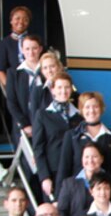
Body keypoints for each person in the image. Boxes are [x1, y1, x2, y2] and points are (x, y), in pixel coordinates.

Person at [57, 92, 111, 197]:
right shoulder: (72, 136)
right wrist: (58, 197)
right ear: (81, 110)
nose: (91, 111)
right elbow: (64, 168)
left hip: (105, 194)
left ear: (102, 108)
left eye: (95, 107)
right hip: (78, 194)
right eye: (87, 107)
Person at [33, 71, 83, 201]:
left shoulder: (79, 116)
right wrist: (44, 177)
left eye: (67, 87)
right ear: (52, 90)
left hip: (75, 170)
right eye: (59, 87)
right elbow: (38, 148)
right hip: (53, 172)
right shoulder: (42, 115)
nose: (63, 91)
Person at [57, 143, 106, 216]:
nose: (90, 160)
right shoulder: (69, 183)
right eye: (86, 157)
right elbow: (61, 212)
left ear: (101, 159)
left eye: (94, 156)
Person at [6, 33, 44, 139]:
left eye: (34, 48)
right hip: (23, 127)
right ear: (22, 50)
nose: (31, 52)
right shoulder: (14, 73)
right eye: (27, 49)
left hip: (44, 126)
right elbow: (11, 101)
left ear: (40, 49)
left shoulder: (47, 71)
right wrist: (25, 124)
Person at [0, 5, 31, 90]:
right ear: (11, 21)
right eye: (17, 18)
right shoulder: (4, 44)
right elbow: (0, 70)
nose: (21, 22)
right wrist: (10, 88)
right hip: (14, 84)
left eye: (25, 19)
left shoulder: (35, 41)